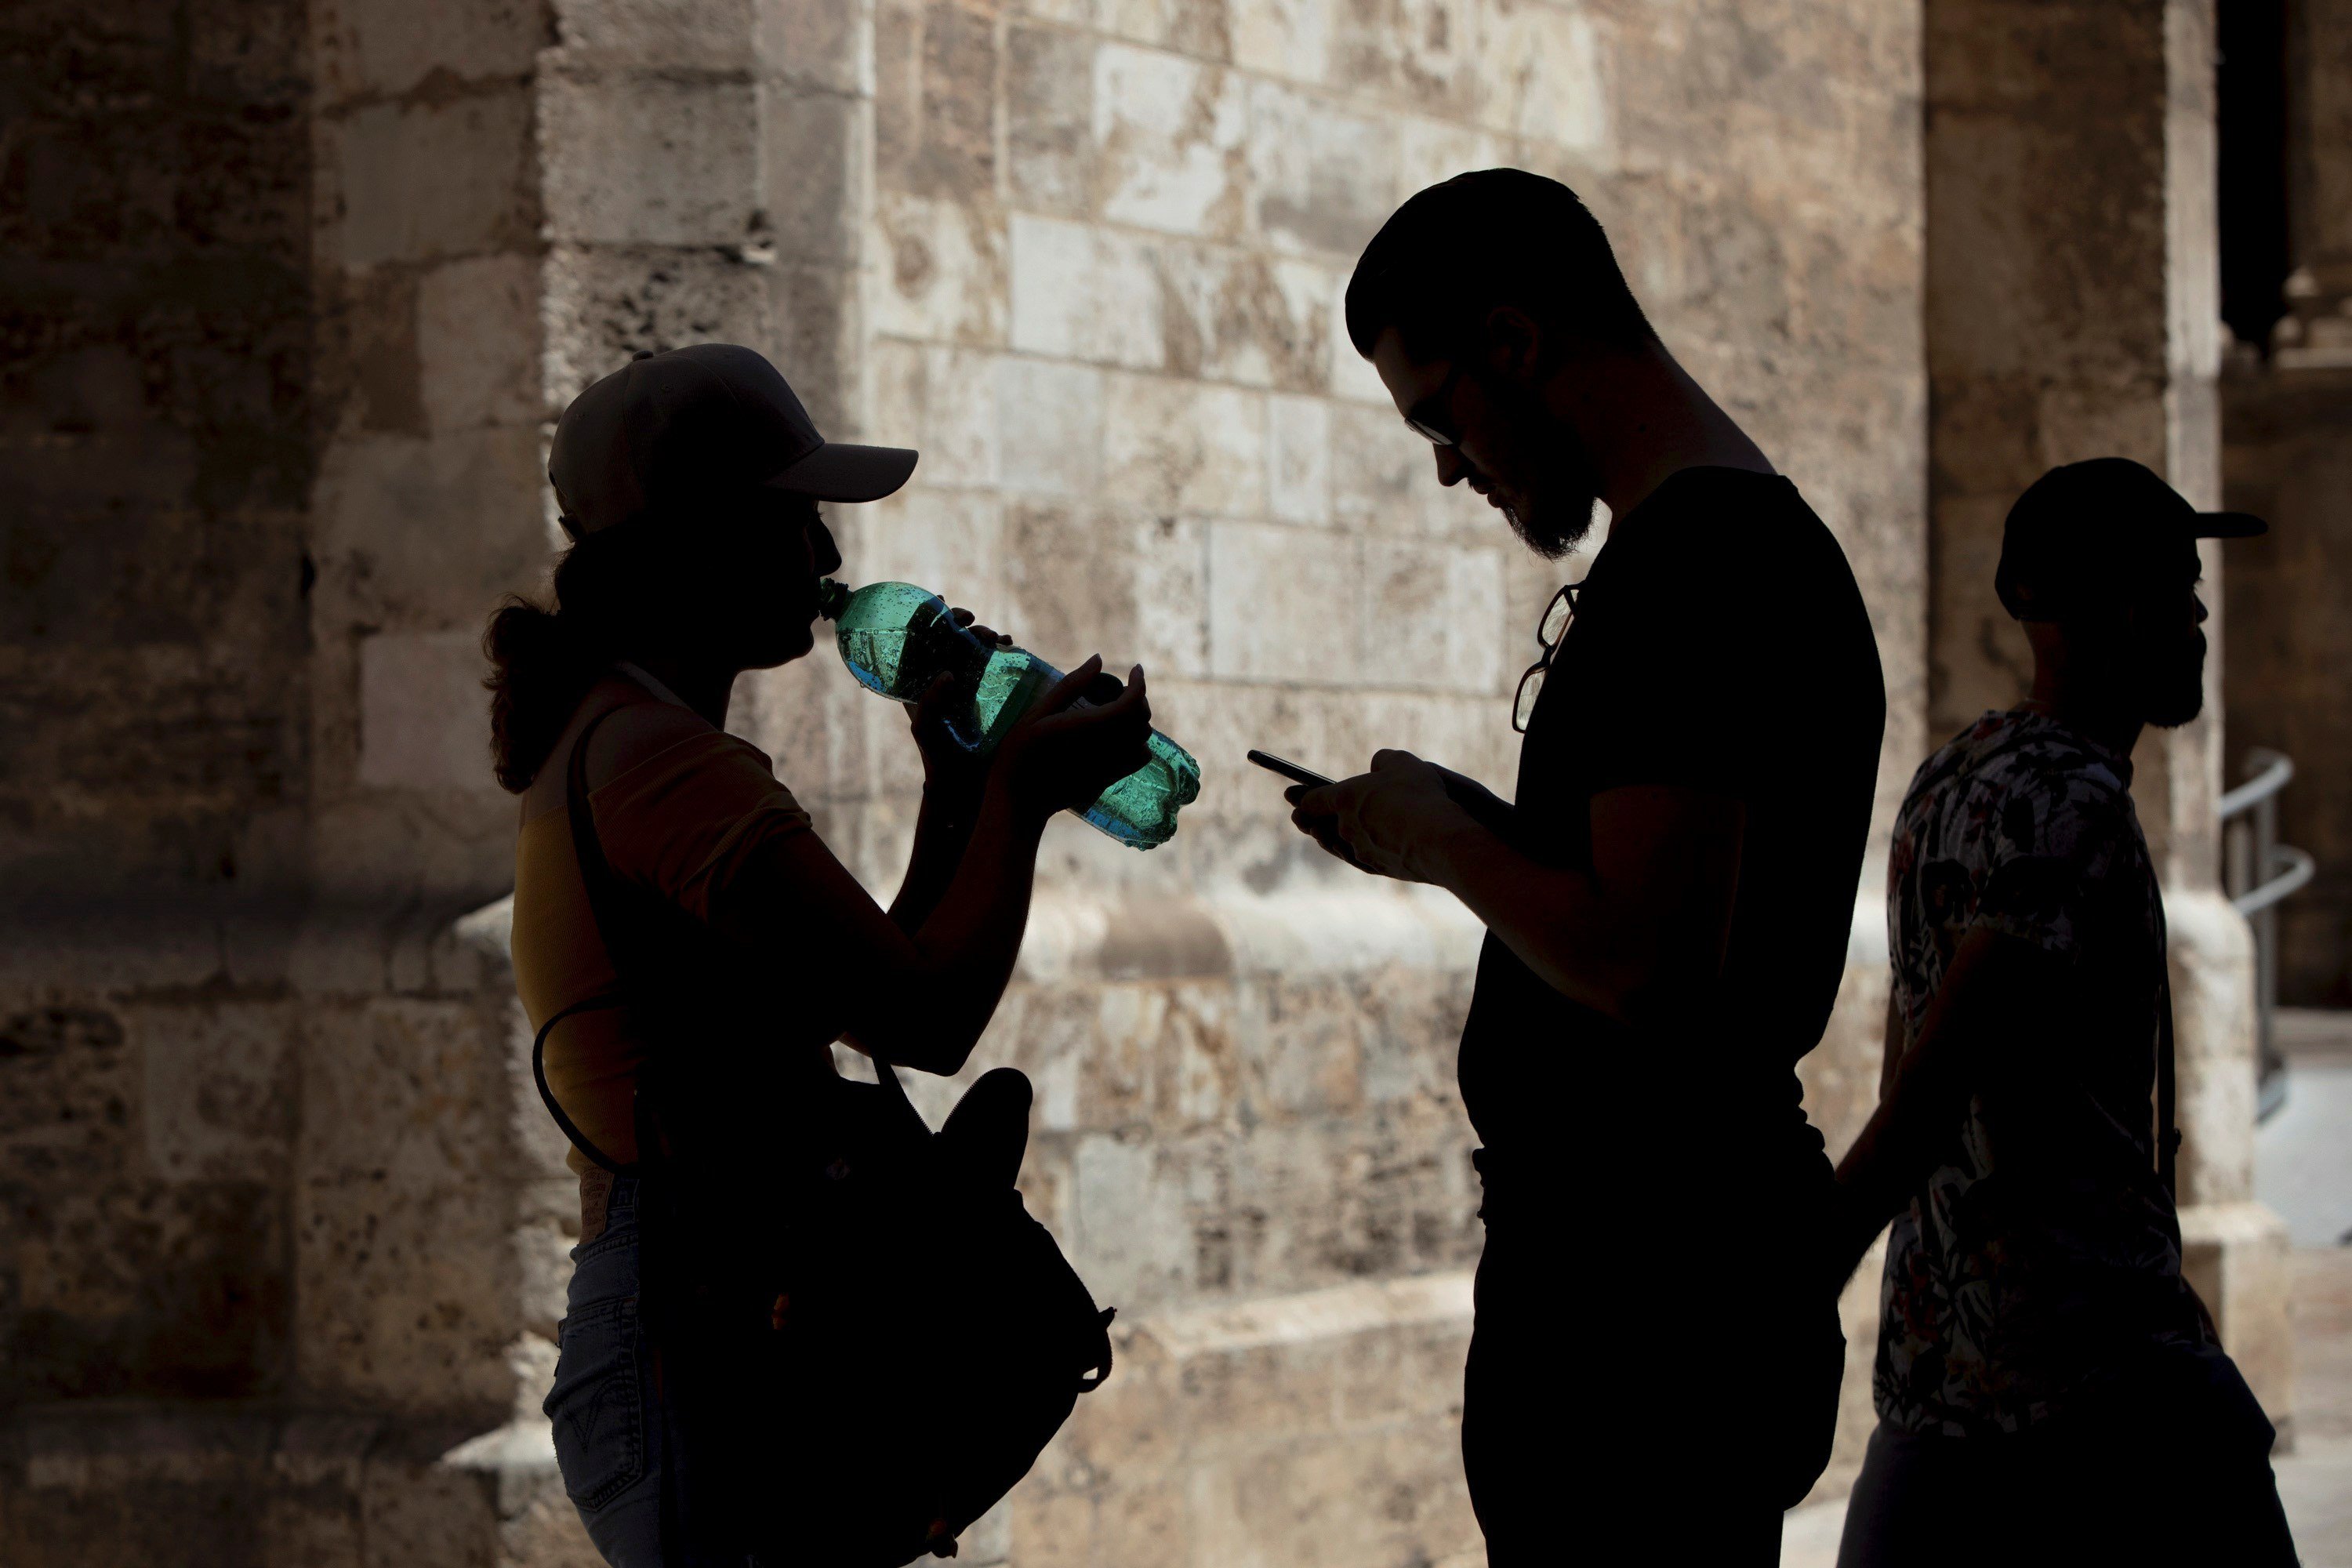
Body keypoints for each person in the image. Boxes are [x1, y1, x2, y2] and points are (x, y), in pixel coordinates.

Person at [1288, 169, 1886, 1562]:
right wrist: (1473, 827)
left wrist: (1444, 846)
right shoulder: (1715, 551)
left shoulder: (1704, 570)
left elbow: (1647, 965)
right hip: (1653, 1291)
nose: (1448, 463)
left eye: (1440, 413)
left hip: (1644, 1313)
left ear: (1514, 340)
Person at [488, 343, 1152, 1565]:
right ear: (702, 545)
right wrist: (1025, 794)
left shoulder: (625, 743)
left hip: (706, 1328)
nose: (831, 562)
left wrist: (958, 792)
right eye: (798, 521)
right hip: (701, 1341)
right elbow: (931, 1014)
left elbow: (860, 986)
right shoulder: (661, 767)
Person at [1828, 459, 2298, 1567]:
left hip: (1941, 1376)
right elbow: (1940, 1079)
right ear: (2122, 606)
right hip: (2100, 1378)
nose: (2197, 619)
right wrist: (1798, 1274)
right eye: (2182, 590)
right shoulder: (2076, 807)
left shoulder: (1954, 778)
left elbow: (1910, 1062)